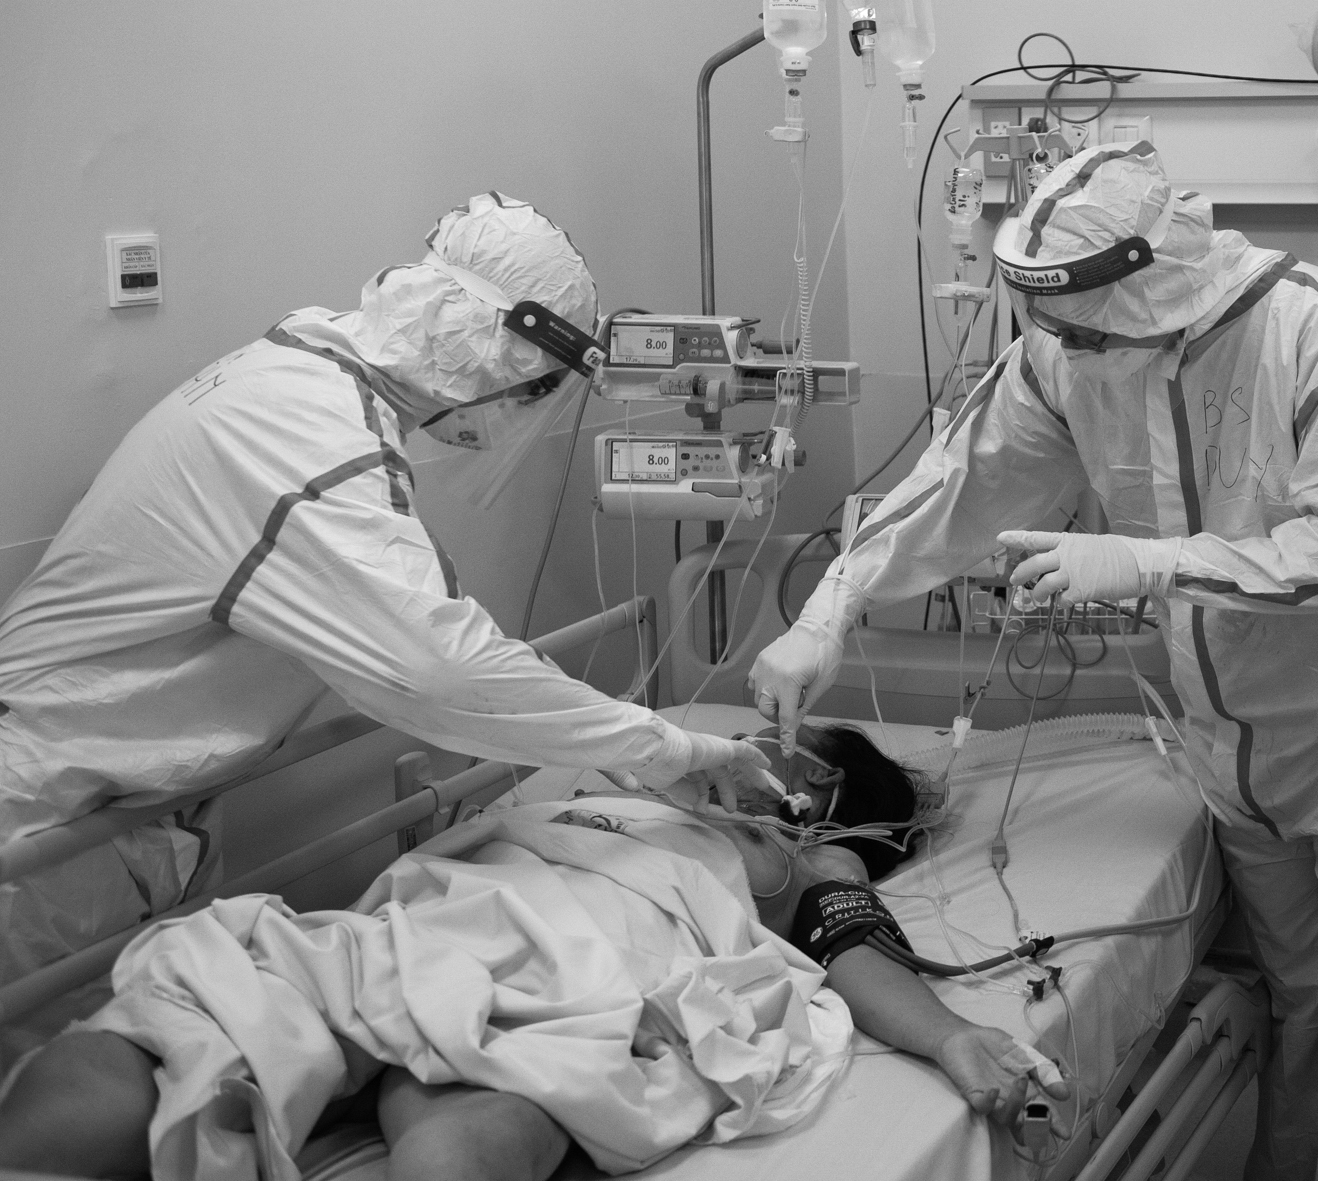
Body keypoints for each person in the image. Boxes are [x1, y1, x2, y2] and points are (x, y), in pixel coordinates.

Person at [753, 141, 1318, 1181]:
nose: (1063, 347)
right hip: (1225, 739)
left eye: (1085, 328)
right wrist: (828, 611)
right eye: (1050, 326)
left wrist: (1145, 562)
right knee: (1300, 996)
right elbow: (958, 483)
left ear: (1154, 288)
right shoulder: (1065, 348)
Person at [0, 193, 771, 1060]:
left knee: (140, 1077)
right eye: (538, 389)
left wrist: (624, 744)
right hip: (47, 829)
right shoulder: (311, 443)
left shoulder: (293, 376)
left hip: (117, 812)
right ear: (495, 347)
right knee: (61, 1094)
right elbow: (441, 670)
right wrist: (669, 748)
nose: (523, 412)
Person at [0, 724, 1061, 1180]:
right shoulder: (630, 778)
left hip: (592, 949)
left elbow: (852, 943)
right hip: (433, 914)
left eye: (792, 746)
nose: (759, 740)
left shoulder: (801, 855)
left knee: (479, 1111)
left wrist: (949, 1038)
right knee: (188, 1016)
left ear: (818, 796)